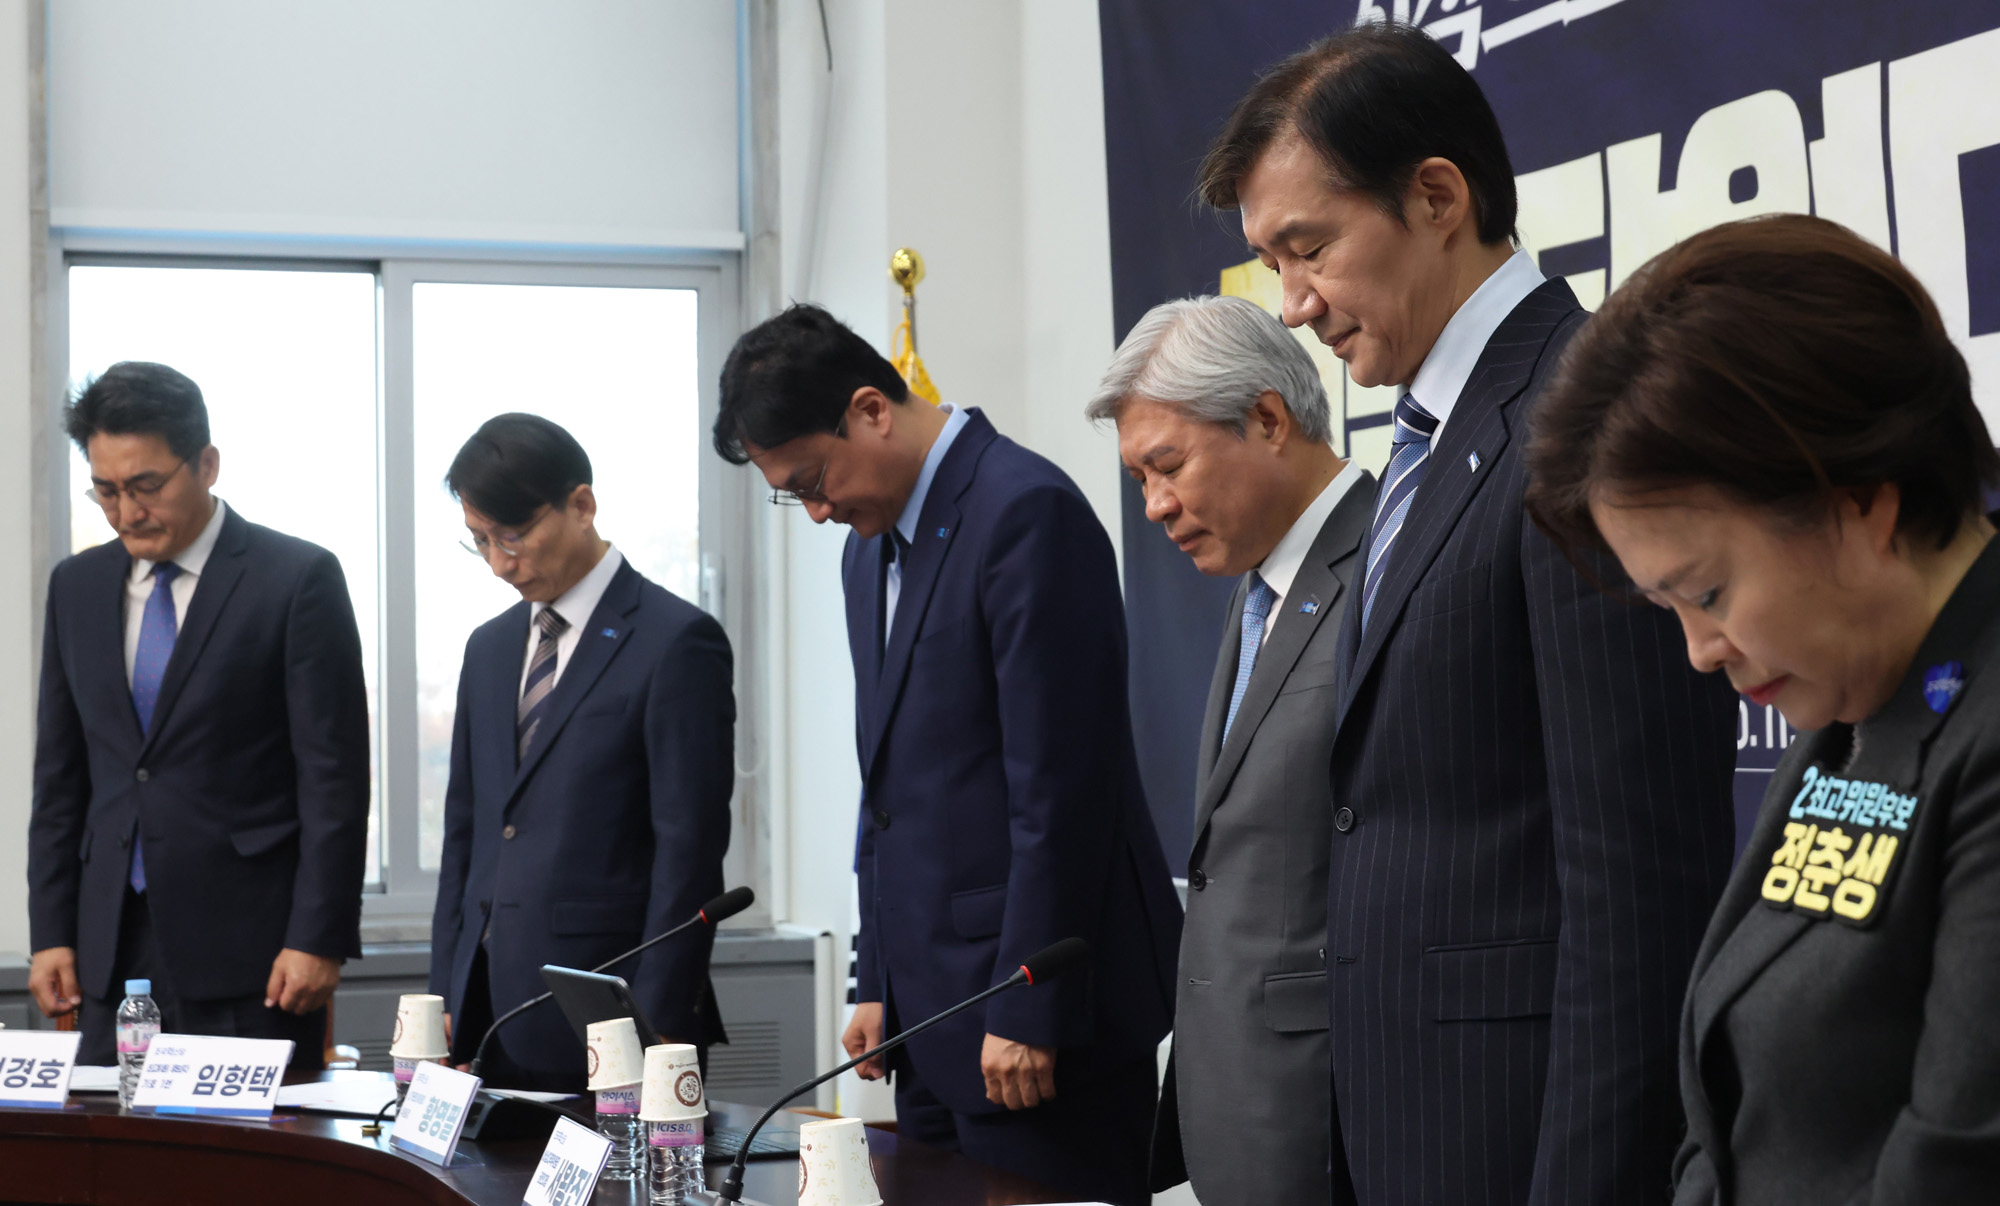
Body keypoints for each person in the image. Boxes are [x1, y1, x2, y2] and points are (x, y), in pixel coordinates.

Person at [1198, 25, 1741, 1203]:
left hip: (1518, 1148)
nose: (1291, 306)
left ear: (1435, 196)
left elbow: (1638, 898)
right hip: (1399, 1133)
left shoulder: (1578, 414)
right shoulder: (1419, 443)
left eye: (1309, 249)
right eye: (1270, 263)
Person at [1526, 213, 2000, 1204]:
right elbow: (1729, 1113)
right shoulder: (1851, 698)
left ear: (1852, 504)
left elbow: (1954, 1163)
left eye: (1704, 594)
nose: (1700, 654)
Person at [713, 304, 1181, 1206]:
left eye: (812, 478)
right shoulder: (867, 553)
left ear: (872, 410)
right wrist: (875, 974)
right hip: (928, 1026)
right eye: (791, 495)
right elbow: (887, 784)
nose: (814, 512)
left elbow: (1062, 789)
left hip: (1037, 1023)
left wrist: (1027, 1001)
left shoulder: (1022, 511)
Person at [1085, 295, 1372, 1204]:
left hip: (1337, 1107)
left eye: (1167, 466)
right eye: (1138, 479)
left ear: (1266, 417)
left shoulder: (1389, 565)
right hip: (1238, 1102)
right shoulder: (1263, 584)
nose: (1156, 506)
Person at [27, 361, 370, 1068]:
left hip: (256, 956)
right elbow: (61, 778)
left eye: (147, 486)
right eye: (106, 491)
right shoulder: (77, 587)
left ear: (206, 464)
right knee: (117, 1169)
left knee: (252, 1173)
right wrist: (51, 932)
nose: (126, 512)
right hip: (111, 951)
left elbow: (333, 779)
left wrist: (317, 937)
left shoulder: (294, 579)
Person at [428, 414, 734, 1091]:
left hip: (616, 1012)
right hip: (487, 1012)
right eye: (479, 541)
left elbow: (689, 851)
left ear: (582, 504)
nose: (501, 562)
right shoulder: (489, 648)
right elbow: (468, 834)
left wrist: (656, 1026)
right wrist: (445, 995)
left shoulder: (676, 640)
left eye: (514, 535)